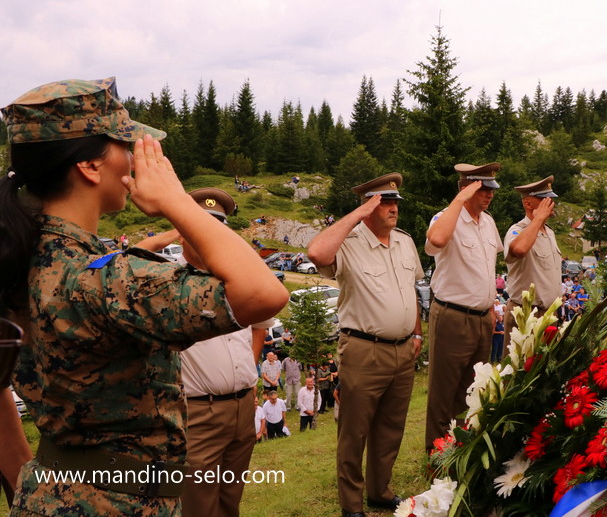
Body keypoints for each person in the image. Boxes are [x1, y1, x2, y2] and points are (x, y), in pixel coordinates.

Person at [0, 77, 288, 516]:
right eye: (126, 144)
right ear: (90, 167)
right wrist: (177, 201)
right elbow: (263, 293)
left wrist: (29, 475)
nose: (137, 158)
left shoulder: (20, 257)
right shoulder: (106, 279)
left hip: (53, 491)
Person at [307, 172, 424, 517]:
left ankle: (379, 491)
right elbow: (316, 252)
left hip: (404, 350)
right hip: (363, 349)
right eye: (384, 202)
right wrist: (357, 215)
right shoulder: (349, 242)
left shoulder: (404, 241)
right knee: (354, 432)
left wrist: (416, 333)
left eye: (395, 202)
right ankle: (351, 504)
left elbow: (411, 292)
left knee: (391, 427)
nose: (393, 208)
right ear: (368, 206)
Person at [172, 188, 285, 517]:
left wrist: (247, 373)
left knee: (230, 500)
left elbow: (262, 323)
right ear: (182, 227)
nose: (210, 233)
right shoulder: (169, 278)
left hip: (242, 407)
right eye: (200, 223)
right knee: (199, 506)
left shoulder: (235, 276)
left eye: (218, 225)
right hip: (198, 412)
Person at [424, 163, 503, 451]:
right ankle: (436, 457)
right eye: (482, 189)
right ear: (465, 189)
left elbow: (486, 268)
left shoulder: (488, 222)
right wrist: (457, 202)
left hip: (483, 318)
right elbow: (435, 241)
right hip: (453, 316)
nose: (489, 195)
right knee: (443, 393)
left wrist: (492, 306)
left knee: (472, 391)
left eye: (491, 190)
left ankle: (461, 453)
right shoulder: (446, 219)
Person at [503, 176, 562, 354]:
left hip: (549, 313)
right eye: (545, 199)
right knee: (517, 373)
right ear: (529, 205)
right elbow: (519, 249)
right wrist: (538, 219)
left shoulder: (549, 232)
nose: (551, 202)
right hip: (525, 314)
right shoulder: (517, 230)